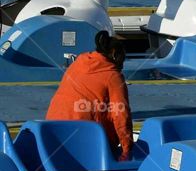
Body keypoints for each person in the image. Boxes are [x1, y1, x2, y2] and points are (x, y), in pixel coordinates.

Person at [47, 31, 134, 160]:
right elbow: (121, 114)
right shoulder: (112, 75)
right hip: (83, 135)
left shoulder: (78, 63)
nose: (122, 65)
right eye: (122, 59)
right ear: (115, 54)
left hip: (52, 131)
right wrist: (127, 149)